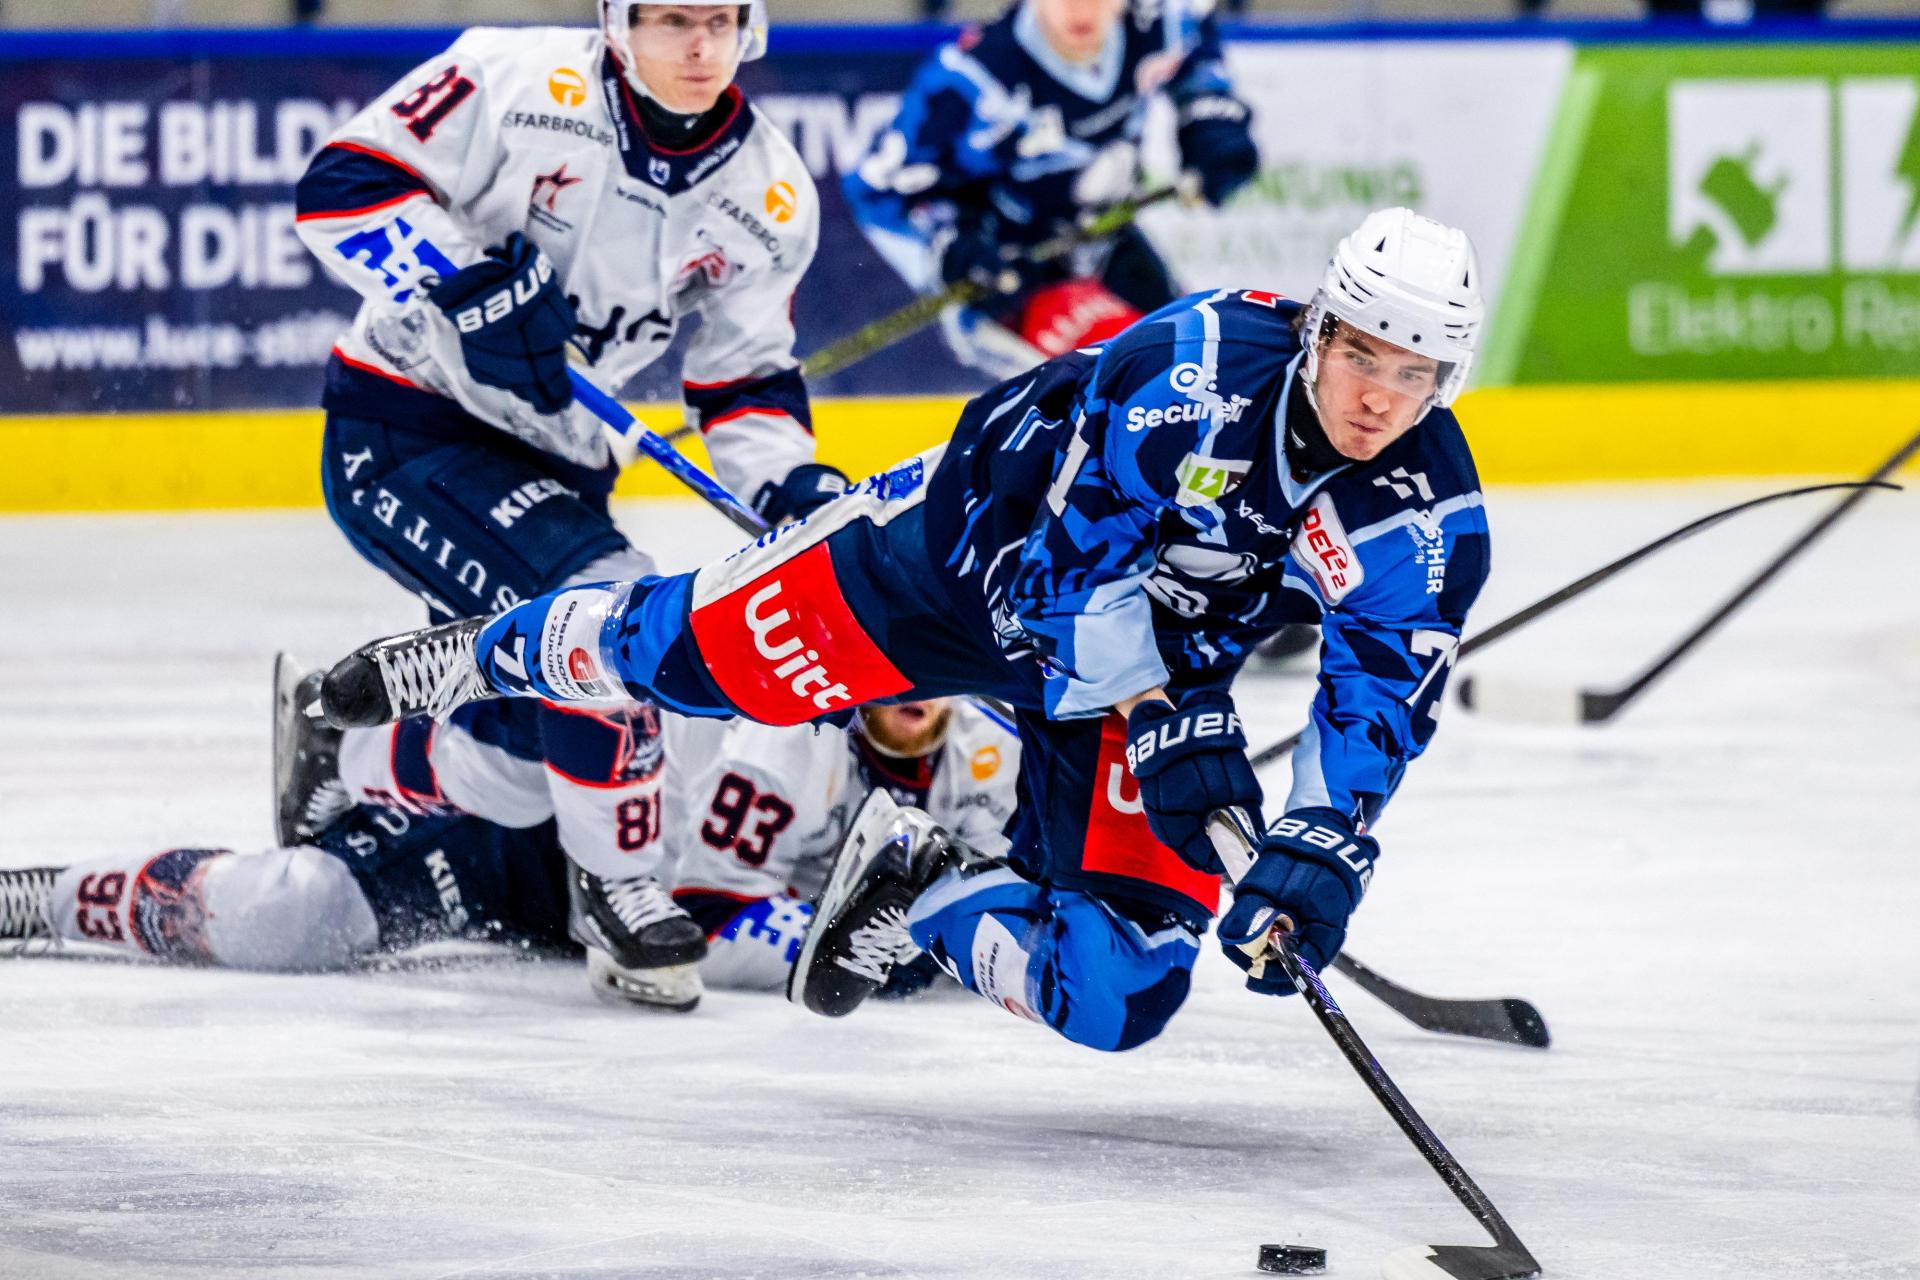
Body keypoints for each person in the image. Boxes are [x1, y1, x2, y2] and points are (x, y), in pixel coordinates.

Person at [317, 207, 1492, 1054]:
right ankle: (481, 654)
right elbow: (1058, 576)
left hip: (1138, 669)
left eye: (1414, 372)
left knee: (1121, 991)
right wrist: (1167, 715)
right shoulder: (1189, 378)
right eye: (1360, 355)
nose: (1378, 397)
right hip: (946, 562)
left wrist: (1325, 841)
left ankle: (919, 891)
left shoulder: (1424, 519)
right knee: (677, 660)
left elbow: (1380, 690)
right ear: (1319, 331)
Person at [290, 3, 847, 999]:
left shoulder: (769, 191)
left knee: (521, 764)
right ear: (618, 21)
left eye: (719, 21)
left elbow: (746, 379)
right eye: (672, 19)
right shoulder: (512, 81)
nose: (698, 47)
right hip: (405, 422)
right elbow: (340, 187)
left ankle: (348, 744)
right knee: (608, 610)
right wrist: (457, 285)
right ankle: (619, 894)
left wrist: (792, 487)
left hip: (556, 462)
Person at [0, 680, 1017, 1010]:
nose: (917, 692)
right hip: (522, 848)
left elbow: (1013, 875)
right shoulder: (784, 743)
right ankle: (42, 897)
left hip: (576, 907)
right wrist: (885, 938)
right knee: (287, 916)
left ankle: (351, 744)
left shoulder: (988, 750)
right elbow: (709, 917)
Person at [844, 0, 1259, 379]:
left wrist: (1210, 124)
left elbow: (1199, 58)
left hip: (1105, 241)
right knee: (1136, 381)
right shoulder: (973, 76)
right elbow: (876, 190)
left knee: (1208, 363)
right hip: (1011, 273)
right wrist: (953, 246)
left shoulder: (1162, 20)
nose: (1081, 9)